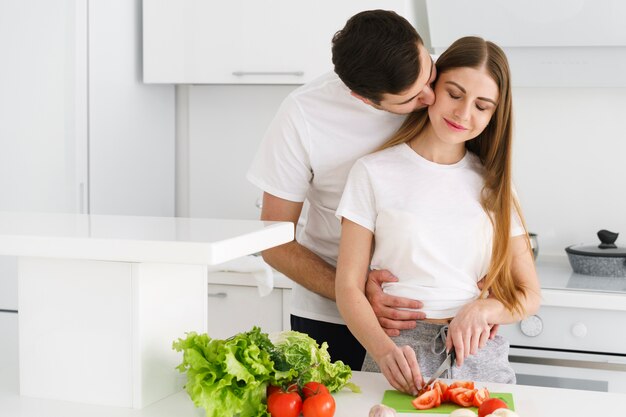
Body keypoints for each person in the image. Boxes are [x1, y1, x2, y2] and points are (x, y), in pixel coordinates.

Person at [335, 36, 541, 395]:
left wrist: (484, 311)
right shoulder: (373, 172)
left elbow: (529, 295)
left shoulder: (496, 185)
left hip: (479, 353)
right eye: (455, 93)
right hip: (400, 354)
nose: (464, 114)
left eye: (482, 105)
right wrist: (384, 352)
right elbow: (348, 287)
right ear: (432, 87)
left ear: (495, 114)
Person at [246, 9, 437, 370]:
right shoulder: (304, 114)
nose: (431, 97)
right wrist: (357, 292)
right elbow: (273, 240)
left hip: (427, 315)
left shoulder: (451, 84)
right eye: (411, 100)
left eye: (429, 72)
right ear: (365, 100)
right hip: (330, 318)